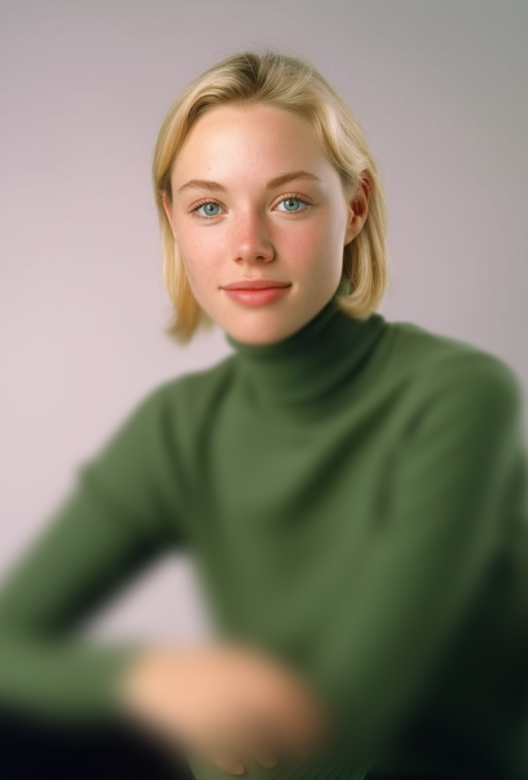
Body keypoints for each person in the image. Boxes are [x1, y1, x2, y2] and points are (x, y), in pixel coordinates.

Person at [0, 47, 527, 780]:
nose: (247, 247)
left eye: (290, 201)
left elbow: (335, 733)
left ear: (356, 208)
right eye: (210, 207)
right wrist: (145, 678)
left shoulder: (461, 397)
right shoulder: (182, 424)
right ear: (174, 220)